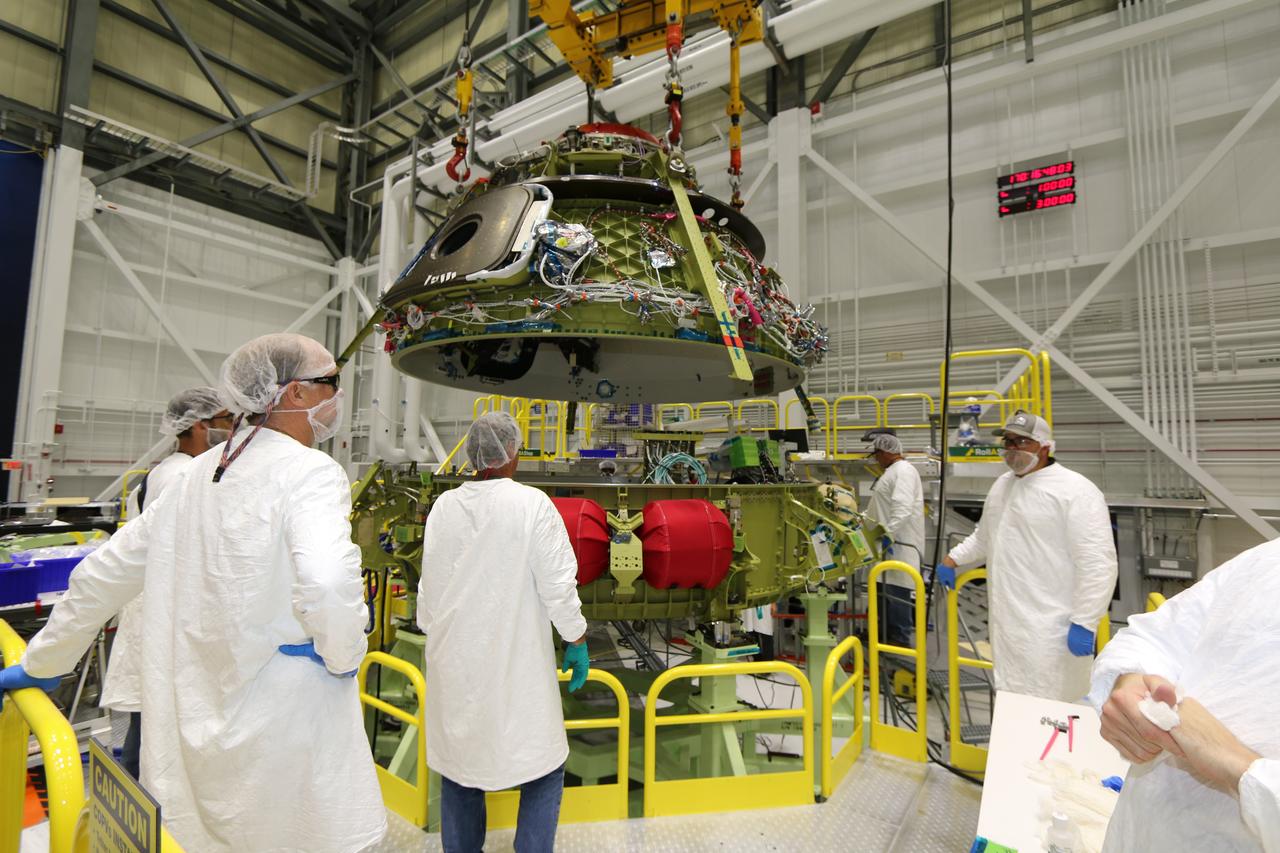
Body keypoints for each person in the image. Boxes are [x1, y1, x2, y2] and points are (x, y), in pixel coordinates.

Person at [0, 333, 385, 853]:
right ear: (294, 394)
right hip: (287, 736)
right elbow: (326, 580)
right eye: (332, 384)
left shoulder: (193, 477)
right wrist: (342, 655)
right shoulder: (310, 471)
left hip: (193, 736)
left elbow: (101, 576)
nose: (339, 398)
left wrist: (45, 662)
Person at [417, 411, 588, 853]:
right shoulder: (531, 504)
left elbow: (429, 592)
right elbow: (558, 584)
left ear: (474, 455)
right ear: (512, 452)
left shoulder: (444, 507)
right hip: (518, 665)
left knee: (460, 767)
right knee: (544, 766)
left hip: (455, 660)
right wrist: (576, 638)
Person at [1087, 538, 1280, 852]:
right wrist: (1130, 681)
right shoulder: (1265, 560)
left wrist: (1240, 767)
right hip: (1141, 832)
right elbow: (1156, 634)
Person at [935, 410, 1116, 701]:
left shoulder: (1076, 491)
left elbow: (1098, 563)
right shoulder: (1002, 486)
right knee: (1012, 699)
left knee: (1055, 710)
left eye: (1022, 442)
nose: (1012, 449)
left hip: (1052, 631)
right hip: (1008, 625)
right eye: (1008, 442)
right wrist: (952, 560)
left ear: (1045, 446)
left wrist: (1084, 622)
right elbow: (984, 538)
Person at [103, 386, 232, 779]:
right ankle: (144, 830)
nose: (232, 430)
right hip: (167, 619)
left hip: (158, 613)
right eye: (226, 421)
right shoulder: (184, 476)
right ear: (198, 425)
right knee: (154, 740)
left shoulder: (163, 471)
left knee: (150, 727)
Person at [863, 429, 925, 647]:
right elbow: (881, 506)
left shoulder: (904, 471)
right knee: (883, 591)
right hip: (887, 543)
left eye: (877, 455)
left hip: (900, 545)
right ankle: (880, 635)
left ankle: (900, 642)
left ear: (886, 452)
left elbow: (902, 508)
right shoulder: (892, 472)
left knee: (897, 593)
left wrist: (890, 533)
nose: (876, 460)